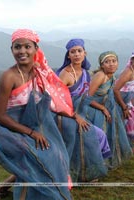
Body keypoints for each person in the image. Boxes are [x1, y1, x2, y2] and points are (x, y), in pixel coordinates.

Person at [0, 29, 72, 199]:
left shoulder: (38, 73)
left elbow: (51, 99)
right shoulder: (9, 77)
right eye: (17, 47)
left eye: (27, 46)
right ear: (12, 50)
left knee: (58, 154)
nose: (22, 51)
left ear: (36, 49)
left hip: (31, 125)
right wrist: (31, 133)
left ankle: (9, 187)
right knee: (41, 157)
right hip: (10, 130)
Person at [56, 38, 110, 182]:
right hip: (64, 117)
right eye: (73, 52)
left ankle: (86, 172)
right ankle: (67, 176)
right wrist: (75, 117)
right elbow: (57, 101)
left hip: (78, 116)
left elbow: (84, 98)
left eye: (79, 51)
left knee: (99, 136)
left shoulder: (86, 73)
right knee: (83, 139)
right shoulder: (66, 74)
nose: (76, 54)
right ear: (68, 55)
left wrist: (100, 108)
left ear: (84, 53)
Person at [85, 51, 133, 169]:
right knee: (97, 137)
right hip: (91, 110)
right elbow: (86, 98)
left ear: (117, 63)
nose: (111, 64)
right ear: (102, 65)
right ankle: (94, 164)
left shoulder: (112, 77)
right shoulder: (100, 76)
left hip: (103, 109)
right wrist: (102, 108)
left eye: (114, 61)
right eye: (107, 62)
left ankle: (103, 160)